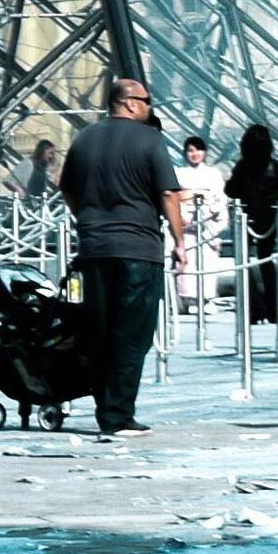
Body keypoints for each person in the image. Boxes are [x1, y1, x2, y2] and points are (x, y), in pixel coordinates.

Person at [56, 77, 176, 437]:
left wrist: (88, 219)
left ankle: (106, 410)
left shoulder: (83, 139)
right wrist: (181, 241)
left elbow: (66, 188)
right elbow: (169, 194)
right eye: (146, 99)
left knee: (100, 331)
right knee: (132, 334)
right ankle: (118, 415)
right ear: (128, 103)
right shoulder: (151, 141)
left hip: (95, 248)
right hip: (139, 248)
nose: (149, 106)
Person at [168, 128, 225, 316]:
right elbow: (175, 197)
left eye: (198, 150)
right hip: (187, 219)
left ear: (204, 152)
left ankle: (208, 297)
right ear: (185, 153)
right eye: (190, 150)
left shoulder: (213, 174)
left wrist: (213, 210)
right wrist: (182, 214)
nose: (194, 154)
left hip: (208, 219)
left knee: (208, 261)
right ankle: (190, 299)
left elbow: (219, 197)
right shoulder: (178, 173)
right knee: (189, 260)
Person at [224, 121, 278, 293]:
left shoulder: (243, 166)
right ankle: (273, 305)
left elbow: (230, 189)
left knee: (243, 261)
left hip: (247, 218)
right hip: (270, 219)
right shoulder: (275, 166)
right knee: (266, 260)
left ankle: (254, 305)